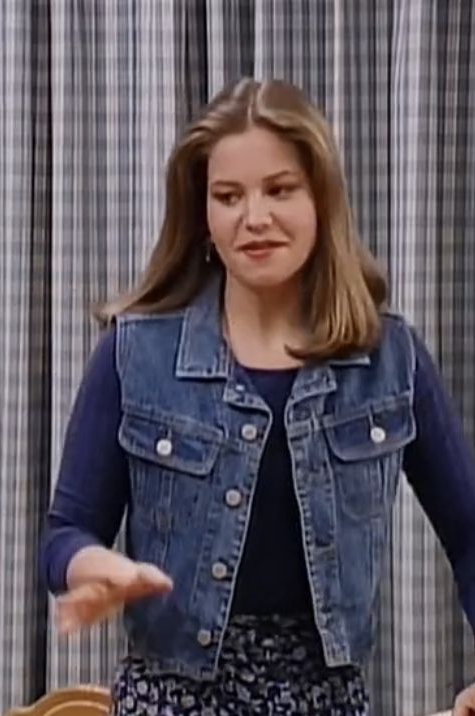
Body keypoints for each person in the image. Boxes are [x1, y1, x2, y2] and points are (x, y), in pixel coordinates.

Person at [41, 78, 475, 716]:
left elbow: (469, 533)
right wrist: (89, 566)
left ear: (321, 200)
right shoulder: (133, 353)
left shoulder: (390, 358)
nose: (255, 217)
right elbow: (64, 534)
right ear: (204, 216)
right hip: (169, 699)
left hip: (327, 699)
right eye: (228, 196)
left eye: (280, 189)